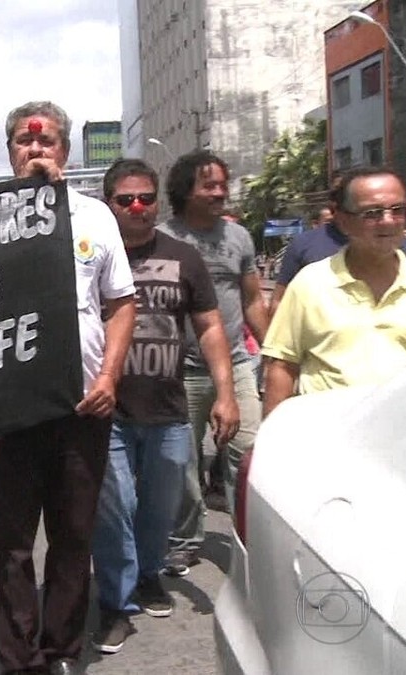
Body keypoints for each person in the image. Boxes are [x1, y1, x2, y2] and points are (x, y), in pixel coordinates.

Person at [0, 101, 136, 675]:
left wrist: (109, 377)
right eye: (25, 141)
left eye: (47, 143)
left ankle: (63, 649)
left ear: (64, 153)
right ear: (11, 152)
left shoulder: (96, 218)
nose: (36, 150)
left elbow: (121, 305)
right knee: (13, 544)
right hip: (10, 409)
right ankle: (20, 660)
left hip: (82, 404)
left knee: (73, 538)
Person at [89, 159, 239, 654]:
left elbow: (211, 327)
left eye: (145, 198)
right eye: (125, 198)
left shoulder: (184, 257)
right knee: (116, 508)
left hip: (168, 410)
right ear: (108, 204)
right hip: (105, 412)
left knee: (159, 508)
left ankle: (150, 574)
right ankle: (115, 603)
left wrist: (226, 392)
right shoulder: (91, 257)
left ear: (157, 201)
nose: (136, 206)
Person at [262, 166, 406, 417]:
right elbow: (283, 366)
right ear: (343, 220)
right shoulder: (311, 284)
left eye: (397, 210)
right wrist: (273, 445)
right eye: (372, 213)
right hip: (331, 439)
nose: (387, 221)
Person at [157, 150, 266, 577]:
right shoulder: (163, 237)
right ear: (186, 190)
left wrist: (274, 351)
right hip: (179, 370)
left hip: (237, 364)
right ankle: (184, 540)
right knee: (182, 463)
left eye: (223, 184)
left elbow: (252, 299)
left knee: (248, 453)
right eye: (210, 185)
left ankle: (250, 538)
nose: (220, 192)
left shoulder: (238, 238)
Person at [269, 178, 406, 319]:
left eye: (397, 210)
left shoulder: (397, 244)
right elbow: (280, 302)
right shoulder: (304, 247)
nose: (387, 219)